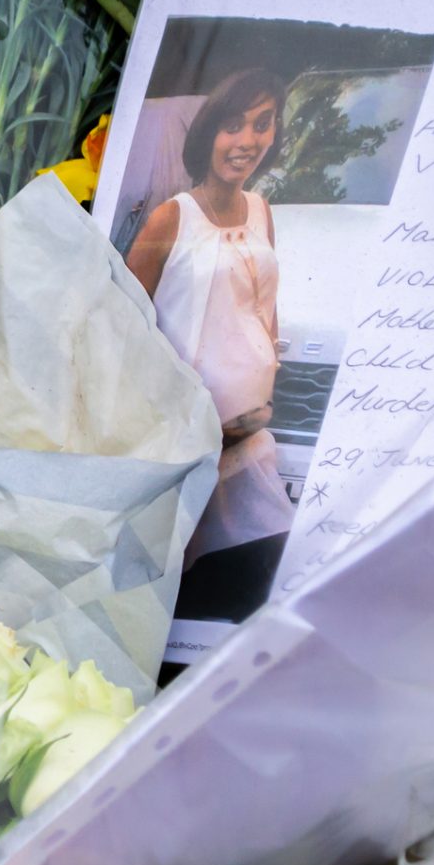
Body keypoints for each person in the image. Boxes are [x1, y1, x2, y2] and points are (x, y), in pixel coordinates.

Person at [124, 69, 295, 583]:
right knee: (183, 582)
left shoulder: (262, 211)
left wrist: (269, 371)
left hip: (248, 445)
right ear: (208, 135)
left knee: (255, 583)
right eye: (233, 126)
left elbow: (265, 307)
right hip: (189, 454)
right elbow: (124, 322)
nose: (248, 141)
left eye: (262, 125)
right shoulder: (171, 218)